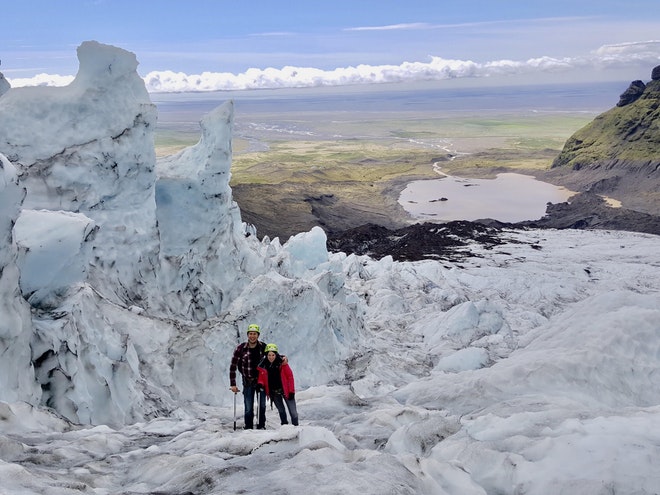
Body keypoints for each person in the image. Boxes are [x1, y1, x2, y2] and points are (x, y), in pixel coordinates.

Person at [229, 323, 267, 429]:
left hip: (261, 382)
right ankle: (248, 427)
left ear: (258, 335)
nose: (252, 336)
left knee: (262, 405)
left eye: (254, 334)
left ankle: (261, 426)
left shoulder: (263, 347)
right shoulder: (241, 348)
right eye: (250, 334)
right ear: (247, 335)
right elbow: (233, 366)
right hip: (248, 381)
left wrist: (283, 358)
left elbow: (274, 356)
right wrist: (233, 384)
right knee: (248, 407)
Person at [257, 343, 299, 426]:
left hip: (286, 391)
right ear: (266, 355)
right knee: (281, 411)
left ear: (276, 355)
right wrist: (260, 384)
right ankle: (285, 428)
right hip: (274, 393)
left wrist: (291, 391)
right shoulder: (263, 365)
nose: (271, 357)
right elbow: (261, 378)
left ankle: (296, 427)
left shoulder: (282, 363)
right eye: (269, 355)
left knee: (293, 413)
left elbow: (290, 377)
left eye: (273, 355)